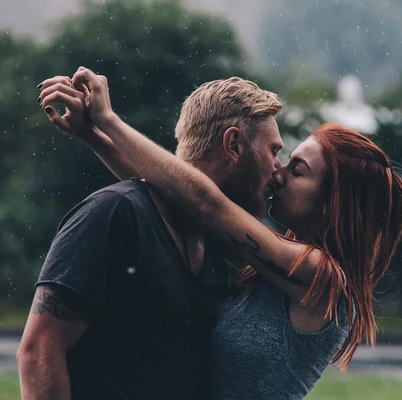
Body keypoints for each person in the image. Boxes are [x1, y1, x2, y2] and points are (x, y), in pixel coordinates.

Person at [38, 66, 402, 400]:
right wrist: (93, 135)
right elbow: (178, 196)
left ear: (332, 203)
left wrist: (109, 121)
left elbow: (205, 202)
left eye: (297, 171)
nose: (278, 173)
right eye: (281, 158)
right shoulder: (273, 263)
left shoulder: (321, 279)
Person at [17, 75, 284, 399]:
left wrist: (94, 135)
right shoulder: (115, 213)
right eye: (273, 151)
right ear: (233, 145)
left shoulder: (215, 247)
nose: (278, 168)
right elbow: (38, 351)